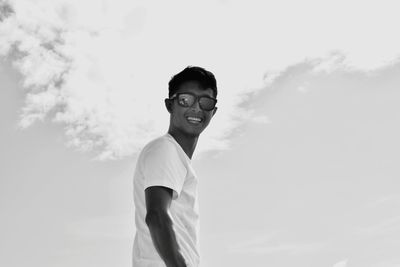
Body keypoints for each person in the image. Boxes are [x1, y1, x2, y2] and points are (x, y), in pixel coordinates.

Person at [132, 66, 218, 267]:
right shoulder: (165, 149)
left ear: (213, 111)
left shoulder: (176, 157)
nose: (196, 108)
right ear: (170, 105)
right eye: (186, 100)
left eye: (205, 101)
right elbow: (156, 215)